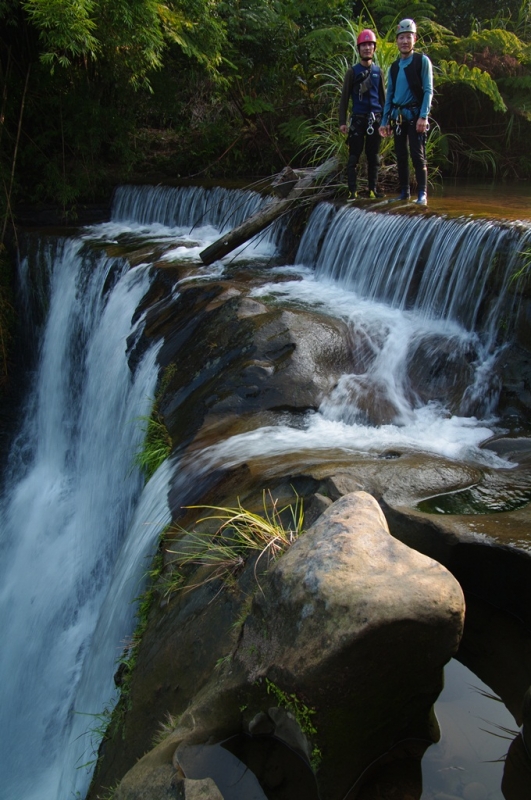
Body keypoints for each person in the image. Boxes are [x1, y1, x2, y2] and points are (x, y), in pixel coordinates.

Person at [380, 18, 433, 205]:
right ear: (397, 41)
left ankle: (422, 193)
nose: (404, 41)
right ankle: (404, 192)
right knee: (401, 155)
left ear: (415, 39)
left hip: (415, 115)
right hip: (398, 117)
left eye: (408, 37)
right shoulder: (394, 67)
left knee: (418, 155)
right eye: (401, 37)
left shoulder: (421, 61)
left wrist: (423, 116)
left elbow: (428, 90)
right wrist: (384, 120)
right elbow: (390, 95)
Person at [339, 29, 386, 200]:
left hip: (375, 120)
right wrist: (342, 122)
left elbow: (383, 98)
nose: (367, 48)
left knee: (374, 158)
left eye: (370, 45)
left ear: (374, 48)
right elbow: (344, 98)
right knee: (354, 158)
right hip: (358, 120)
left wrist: (385, 121)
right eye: (364, 45)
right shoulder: (352, 72)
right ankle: (353, 191)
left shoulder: (378, 72)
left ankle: (372, 189)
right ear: (359, 49)